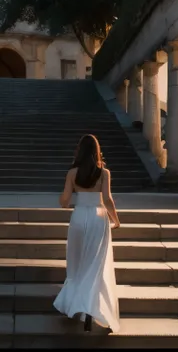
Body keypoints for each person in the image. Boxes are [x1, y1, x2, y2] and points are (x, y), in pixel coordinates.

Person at [53, 134, 121, 333]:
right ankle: (91, 309)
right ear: (97, 151)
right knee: (95, 265)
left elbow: (64, 201)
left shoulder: (72, 173)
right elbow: (107, 200)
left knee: (77, 263)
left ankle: (78, 305)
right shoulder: (104, 173)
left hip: (78, 217)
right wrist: (115, 220)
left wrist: (67, 198)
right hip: (98, 218)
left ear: (80, 151)